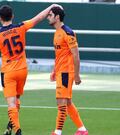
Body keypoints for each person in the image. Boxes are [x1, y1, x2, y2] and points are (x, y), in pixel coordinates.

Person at [0, 4, 61, 135]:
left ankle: (17, 130)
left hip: (8, 72)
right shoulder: (21, 27)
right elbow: (39, 18)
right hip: (22, 70)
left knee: (11, 103)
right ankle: (10, 125)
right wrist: (51, 6)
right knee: (17, 99)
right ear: (12, 16)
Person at [47, 7, 88, 135]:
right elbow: (59, 55)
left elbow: (76, 55)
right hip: (60, 71)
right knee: (67, 102)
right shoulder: (56, 32)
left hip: (66, 72)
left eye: (50, 15)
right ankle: (82, 129)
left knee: (61, 102)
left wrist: (76, 75)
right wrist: (54, 70)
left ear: (57, 17)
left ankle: (57, 132)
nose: (48, 17)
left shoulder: (68, 32)